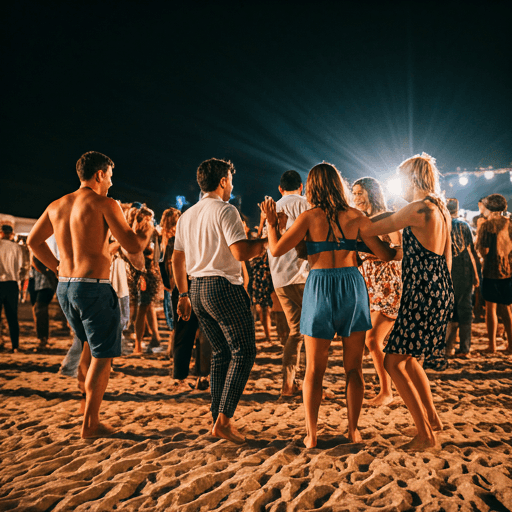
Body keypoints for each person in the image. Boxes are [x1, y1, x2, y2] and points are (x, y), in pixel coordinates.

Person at [263, 162, 400, 448]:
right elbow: (386, 255)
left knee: (314, 368)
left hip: (319, 286)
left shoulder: (308, 217)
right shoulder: (356, 216)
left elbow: (275, 249)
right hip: (351, 285)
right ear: (339, 185)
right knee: (353, 369)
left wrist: (272, 224)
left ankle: (311, 435)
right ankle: (353, 430)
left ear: (311, 187)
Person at [27, 151, 152, 439]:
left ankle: (86, 409)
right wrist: (146, 233)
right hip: (92, 286)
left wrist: (57, 266)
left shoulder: (57, 204)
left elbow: (34, 241)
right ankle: (91, 423)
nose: (110, 181)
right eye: (109, 175)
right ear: (98, 174)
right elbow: (132, 244)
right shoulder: (104, 203)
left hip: (66, 286)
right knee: (103, 355)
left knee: (86, 345)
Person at [360, 153, 454, 451]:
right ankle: (433, 419)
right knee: (408, 359)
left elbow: (371, 228)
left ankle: (425, 434)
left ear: (412, 179)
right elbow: (436, 256)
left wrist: (349, 219)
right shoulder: (439, 209)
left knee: (392, 361)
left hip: (422, 293)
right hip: (437, 289)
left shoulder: (417, 209)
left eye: (400, 178)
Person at [173, 158, 267, 444]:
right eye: (231, 180)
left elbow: (177, 258)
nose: (232, 185)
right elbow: (240, 252)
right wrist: (266, 242)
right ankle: (224, 421)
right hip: (222, 286)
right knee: (244, 352)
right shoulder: (226, 211)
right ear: (223, 181)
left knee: (221, 354)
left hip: (197, 288)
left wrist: (183, 293)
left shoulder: (187, 215)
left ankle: (217, 419)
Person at [352, 177, 402, 406]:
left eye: (360, 193)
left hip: (388, 284)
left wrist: (380, 252)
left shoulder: (388, 218)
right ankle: (393, 387)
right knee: (377, 341)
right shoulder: (360, 221)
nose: (356, 198)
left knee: (373, 339)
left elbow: (401, 251)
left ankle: (386, 391)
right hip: (368, 286)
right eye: (354, 193)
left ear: (372, 193)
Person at [266, 170, 310, 397]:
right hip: (303, 276)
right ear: (301, 187)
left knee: (296, 333)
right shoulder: (306, 204)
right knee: (312, 333)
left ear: (280, 188)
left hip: (280, 278)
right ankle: (311, 385)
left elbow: (270, 243)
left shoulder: (272, 208)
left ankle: (287, 385)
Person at [476, 194, 512, 353]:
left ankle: (492, 345)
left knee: (491, 309)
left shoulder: (486, 225)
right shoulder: (510, 224)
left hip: (491, 271)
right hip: (508, 271)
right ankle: (511, 345)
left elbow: (484, 251)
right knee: (507, 309)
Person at [445, 198, 480, 358]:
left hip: (447, 271)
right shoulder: (464, 225)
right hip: (465, 271)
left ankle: (447, 348)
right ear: (457, 209)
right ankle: (465, 349)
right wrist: (476, 274)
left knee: (449, 310)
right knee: (465, 309)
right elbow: (471, 251)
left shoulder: (442, 225)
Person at [0, 223, 24, 352]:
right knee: (12, 317)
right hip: (12, 284)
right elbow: (21, 267)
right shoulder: (17, 248)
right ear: (11, 234)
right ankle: (15, 345)